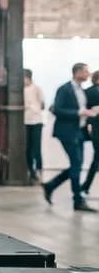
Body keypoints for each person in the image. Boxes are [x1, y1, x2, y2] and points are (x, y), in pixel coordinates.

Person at [43, 62, 99, 212]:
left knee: (77, 165)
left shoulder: (81, 91)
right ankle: (77, 200)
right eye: (86, 71)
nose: (88, 74)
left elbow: (82, 108)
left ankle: (50, 186)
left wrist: (90, 111)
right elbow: (57, 109)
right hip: (67, 132)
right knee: (76, 164)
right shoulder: (65, 89)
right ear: (78, 72)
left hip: (78, 131)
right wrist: (79, 113)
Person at [24, 69, 45, 182]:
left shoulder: (37, 88)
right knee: (27, 148)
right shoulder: (20, 90)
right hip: (25, 121)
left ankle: (39, 170)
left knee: (36, 147)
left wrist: (34, 108)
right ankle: (30, 171)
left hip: (36, 121)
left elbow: (42, 104)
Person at [83, 70, 99, 194]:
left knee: (96, 159)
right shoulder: (89, 92)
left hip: (95, 129)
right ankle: (85, 186)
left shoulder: (87, 92)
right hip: (96, 128)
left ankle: (85, 186)